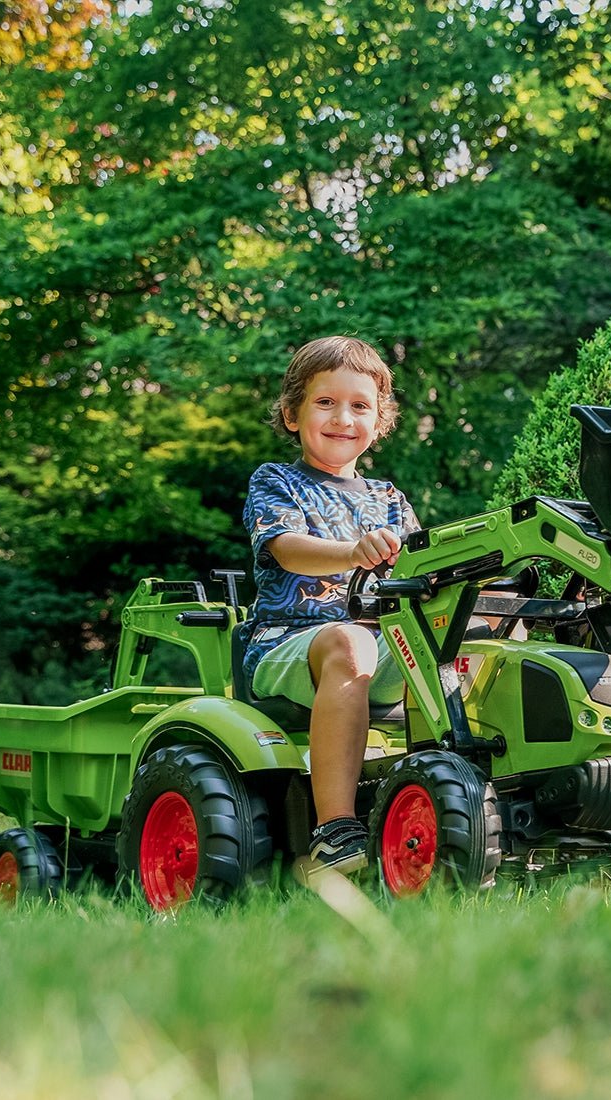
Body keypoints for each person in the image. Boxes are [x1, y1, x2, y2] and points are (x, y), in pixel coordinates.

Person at [238, 335, 419, 881]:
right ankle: (333, 833)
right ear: (292, 415)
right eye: (325, 403)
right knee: (350, 639)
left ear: (380, 422)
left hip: (377, 649)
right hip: (285, 643)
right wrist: (351, 552)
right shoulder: (277, 481)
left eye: (360, 406)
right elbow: (287, 549)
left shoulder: (387, 498)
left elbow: (419, 568)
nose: (343, 418)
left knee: (471, 633)